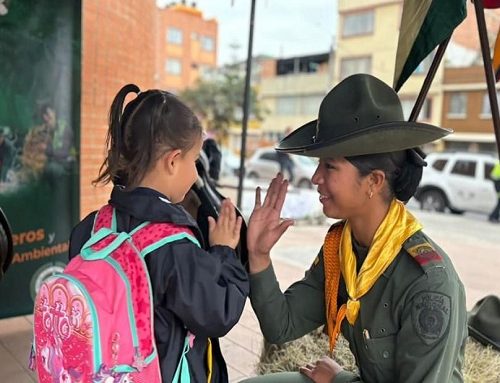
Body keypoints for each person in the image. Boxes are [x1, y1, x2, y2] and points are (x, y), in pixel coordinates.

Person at [243, 74, 468, 383]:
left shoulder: (428, 283)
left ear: (373, 181)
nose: (315, 178)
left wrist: (341, 381)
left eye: (330, 166)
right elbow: (282, 326)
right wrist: (259, 256)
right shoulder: (342, 248)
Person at [68, 84, 249, 382]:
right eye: (194, 162)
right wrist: (225, 253)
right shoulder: (173, 245)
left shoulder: (90, 229)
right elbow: (217, 312)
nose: (195, 175)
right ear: (173, 160)